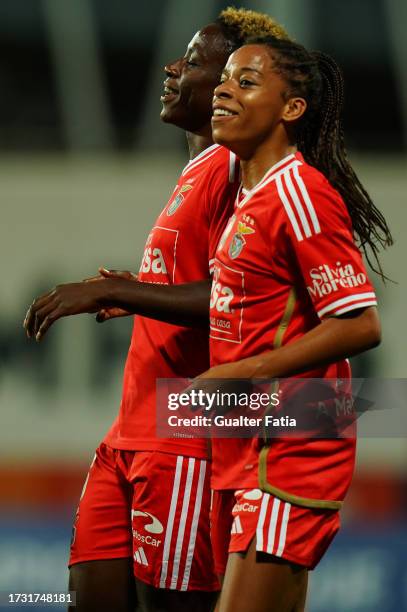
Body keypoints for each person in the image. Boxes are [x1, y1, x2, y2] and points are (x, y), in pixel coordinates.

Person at [23, 10, 289, 612]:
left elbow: (235, 299)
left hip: (183, 436)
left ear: (230, 88)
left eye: (193, 61)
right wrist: (139, 288)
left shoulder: (239, 170)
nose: (174, 68)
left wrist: (114, 293)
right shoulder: (199, 169)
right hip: (129, 433)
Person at [189, 37, 392, 611]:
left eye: (246, 82)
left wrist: (239, 373)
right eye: (225, 78)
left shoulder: (299, 192)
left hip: (291, 445)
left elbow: (359, 324)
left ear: (291, 108)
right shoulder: (246, 196)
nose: (225, 88)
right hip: (246, 443)